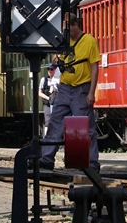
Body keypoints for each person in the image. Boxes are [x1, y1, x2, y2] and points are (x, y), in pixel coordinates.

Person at [41, 14, 100, 171]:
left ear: (75, 25)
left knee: (87, 128)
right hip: (64, 88)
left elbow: (95, 67)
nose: (64, 30)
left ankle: (93, 162)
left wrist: (91, 92)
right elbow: (56, 59)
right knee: (55, 123)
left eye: (66, 27)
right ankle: (46, 158)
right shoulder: (64, 41)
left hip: (82, 88)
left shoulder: (89, 41)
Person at [38, 63, 60, 136]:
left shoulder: (59, 80)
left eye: (51, 69)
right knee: (48, 121)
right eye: (48, 69)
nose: (50, 71)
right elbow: (39, 93)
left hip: (57, 102)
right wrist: (48, 98)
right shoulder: (44, 79)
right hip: (47, 103)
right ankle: (47, 139)